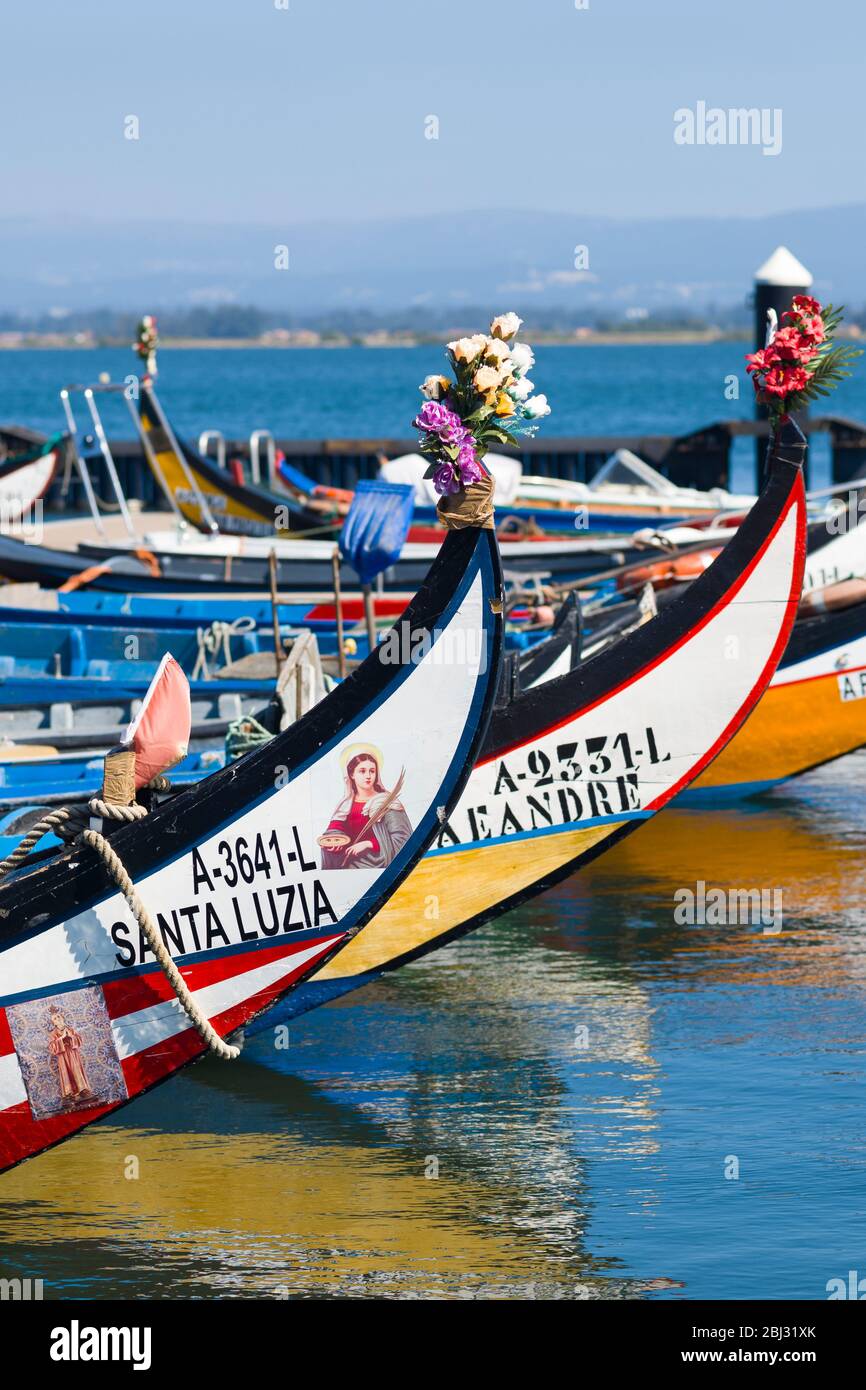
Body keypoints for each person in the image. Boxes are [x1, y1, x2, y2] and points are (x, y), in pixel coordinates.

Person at [318, 743, 410, 869]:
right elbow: (335, 830)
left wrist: (369, 844)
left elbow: (403, 838)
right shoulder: (345, 805)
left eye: (372, 771)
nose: (368, 776)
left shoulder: (386, 802)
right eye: (362, 771)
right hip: (347, 863)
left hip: (378, 864)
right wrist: (334, 841)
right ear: (351, 775)